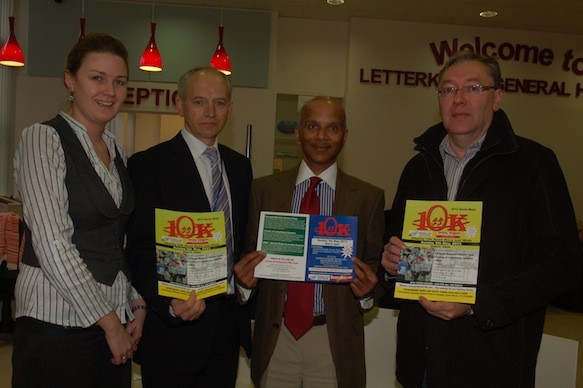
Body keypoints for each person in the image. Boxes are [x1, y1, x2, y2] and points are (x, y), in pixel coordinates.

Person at [378, 51, 583, 387]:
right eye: (447, 89)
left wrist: (476, 304)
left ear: (497, 98)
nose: (458, 99)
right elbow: (401, 251)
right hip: (422, 359)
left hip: (492, 360)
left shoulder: (533, 165)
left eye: (472, 88)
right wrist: (391, 264)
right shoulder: (418, 167)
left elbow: (562, 264)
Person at [12, 33, 145, 387]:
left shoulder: (117, 150)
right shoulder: (42, 139)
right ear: (71, 80)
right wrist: (110, 322)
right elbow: (52, 243)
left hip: (113, 317)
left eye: (119, 82)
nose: (110, 91)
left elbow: (118, 239)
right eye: (96, 78)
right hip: (56, 322)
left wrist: (135, 302)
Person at [235, 96, 385, 387]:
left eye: (333, 128)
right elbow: (248, 260)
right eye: (313, 125)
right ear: (297, 132)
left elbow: (373, 271)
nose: (321, 136)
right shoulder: (263, 190)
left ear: (345, 135)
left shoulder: (368, 197)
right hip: (276, 339)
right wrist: (243, 283)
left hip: (333, 340)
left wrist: (369, 292)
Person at [125, 67, 253, 386]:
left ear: (230, 109)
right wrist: (168, 303)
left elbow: (243, 243)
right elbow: (139, 250)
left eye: (219, 102)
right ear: (179, 104)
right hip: (173, 331)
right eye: (199, 101)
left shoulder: (240, 167)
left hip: (226, 330)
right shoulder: (148, 165)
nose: (210, 112)